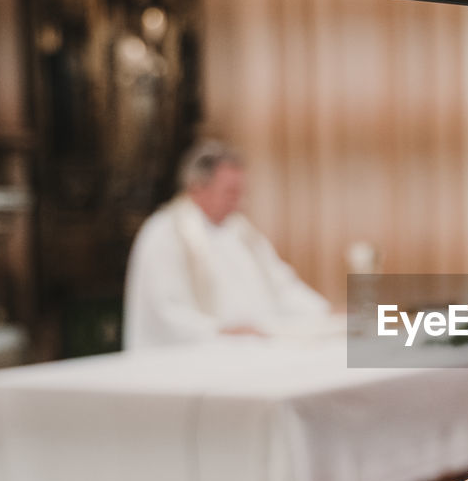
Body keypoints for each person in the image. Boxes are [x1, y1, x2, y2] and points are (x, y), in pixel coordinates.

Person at [123, 141, 331, 349]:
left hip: (252, 346)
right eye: (230, 192)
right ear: (198, 187)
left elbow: (282, 284)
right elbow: (164, 308)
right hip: (197, 355)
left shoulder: (241, 232)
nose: (238, 201)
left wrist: (323, 311)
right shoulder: (165, 232)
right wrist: (218, 331)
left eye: (240, 192)